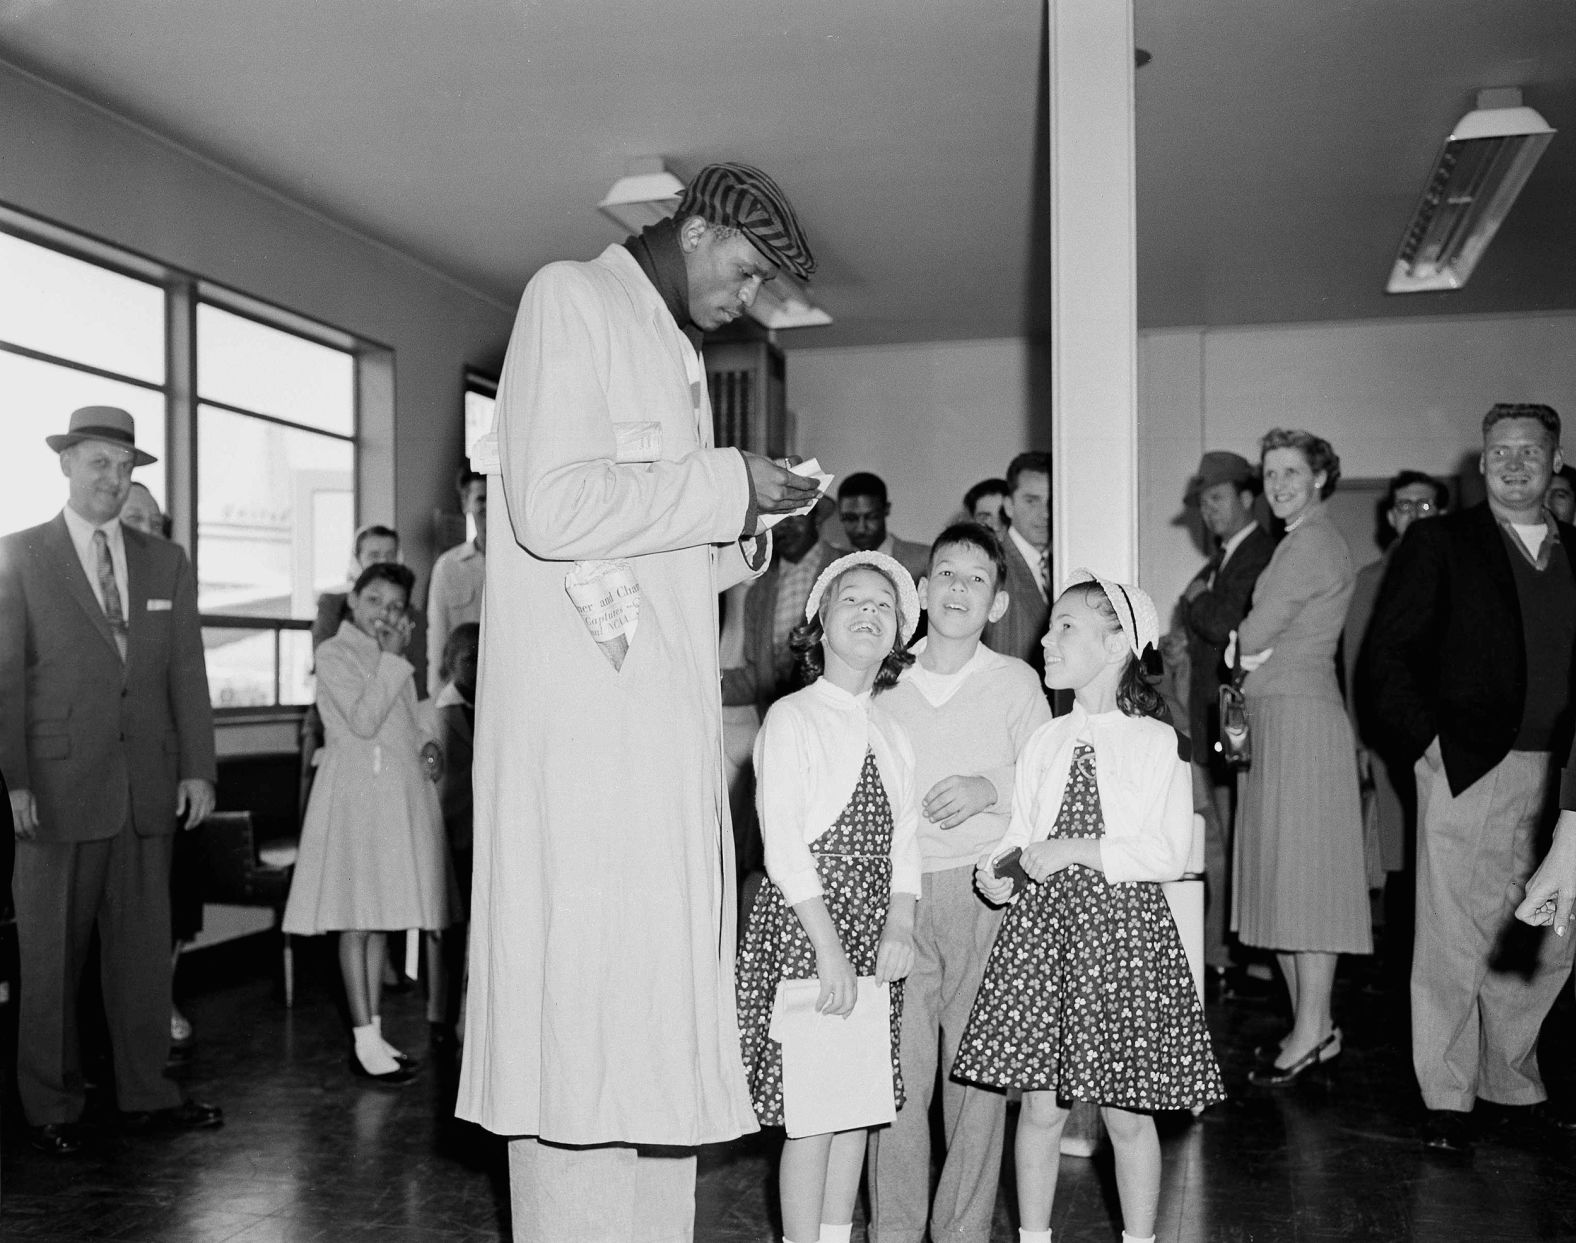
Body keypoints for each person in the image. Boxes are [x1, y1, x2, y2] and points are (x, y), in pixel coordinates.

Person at [455, 161, 821, 1241]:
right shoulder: (569, 298)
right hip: (583, 750)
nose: (743, 300)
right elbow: (557, 506)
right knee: (579, 1029)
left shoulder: (673, 349)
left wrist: (754, 524)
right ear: (696, 229)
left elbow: (647, 547)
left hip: (650, 742)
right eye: (745, 273)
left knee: (650, 1034)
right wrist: (721, 482)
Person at [955, 571, 1223, 1243]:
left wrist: (1074, 848)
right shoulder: (1045, 740)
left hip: (1122, 939)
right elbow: (1022, 837)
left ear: (1118, 643)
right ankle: (1035, 1236)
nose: (1046, 637)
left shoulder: (1156, 741)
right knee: (1040, 1109)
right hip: (1046, 937)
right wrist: (1001, 876)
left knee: (1127, 1116)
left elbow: (1165, 853)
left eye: (1065, 625)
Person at [0, 405, 220, 1155]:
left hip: (147, 784)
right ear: (66, 465)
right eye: (98, 462)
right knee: (51, 958)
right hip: (54, 789)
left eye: (124, 466)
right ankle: (50, 1107)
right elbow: (4, 677)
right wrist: (12, 779)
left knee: (139, 951)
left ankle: (147, 1092)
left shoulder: (165, 561)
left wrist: (198, 767)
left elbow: (187, 670)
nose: (113, 478)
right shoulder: (21, 554)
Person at [1361, 403, 1576, 1154]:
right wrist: (1426, 744)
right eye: (1500, 451)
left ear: (1555, 462)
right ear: (1481, 465)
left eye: (1530, 451)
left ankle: (1510, 1079)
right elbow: (1384, 660)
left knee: (1550, 936)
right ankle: (1447, 1095)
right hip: (1470, 765)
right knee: (1456, 935)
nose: (1515, 462)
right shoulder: (1440, 543)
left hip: (1565, 778)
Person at [864, 524, 1051, 1243]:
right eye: (945, 573)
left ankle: (964, 1229)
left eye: (977, 580)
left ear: (999, 604)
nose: (958, 589)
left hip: (984, 900)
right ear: (920, 588)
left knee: (974, 1084)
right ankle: (895, 1227)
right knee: (898, 1080)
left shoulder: (1015, 682)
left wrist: (986, 786)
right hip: (898, 904)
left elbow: (1045, 781)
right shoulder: (886, 677)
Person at [735, 551, 921, 1243]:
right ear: (818, 622)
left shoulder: (892, 731)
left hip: (873, 933)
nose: (868, 611)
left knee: (857, 1108)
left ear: (898, 634)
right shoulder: (793, 716)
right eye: (852, 600)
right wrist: (829, 951)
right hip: (813, 929)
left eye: (883, 605)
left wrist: (900, 921)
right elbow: (784, 846)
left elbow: (907, 840)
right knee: (814, 1114)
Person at [1229, 429, 1370, 1087]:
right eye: (1270, 471)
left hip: (1300, 722)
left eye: (1291, 470)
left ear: (1320, 476)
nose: (1279, 482)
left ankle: (1315, 1028)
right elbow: (1252, 642)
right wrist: (1245, 650)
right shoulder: (1301, 540)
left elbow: (1254, 632)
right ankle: (1312, 1025)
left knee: (1306, 884)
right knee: (1285, 879)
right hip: (1281, 717)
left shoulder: (1310, 542)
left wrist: (1241, 647)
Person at [282, 561, 454, 1084]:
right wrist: (394, 660)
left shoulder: (390, 659)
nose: (385, 613)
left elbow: (409, 715)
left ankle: (374, 1035)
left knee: (378, 915)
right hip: (355, 797)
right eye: (375, 601)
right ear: (353, 601)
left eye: (396, 606)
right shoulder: (334, 653)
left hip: (388, 797)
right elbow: (362, 720)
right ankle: (361, 1040)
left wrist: (428, 743)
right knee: (354, 919)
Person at [1165, 450, 1274, 993]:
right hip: (1219, 729)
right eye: (1203, 501)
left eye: (1217, 498)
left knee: (1236, 847)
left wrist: (1195, 601)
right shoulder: (1225, 559)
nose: (1208, 510)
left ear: (1246, 497)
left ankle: (1238, 959)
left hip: (1240, 726)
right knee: (1221, 847)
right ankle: (1226, 957)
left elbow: (1229, 623)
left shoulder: (1259, 553)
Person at [1343, 470, 1449, 978]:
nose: (1413, 515)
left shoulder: (1461, 573)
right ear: (1390, 517)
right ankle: (1402, 966)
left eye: (1425, 506)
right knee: (1399, 853)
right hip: (1387, 740)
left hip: (1451, 739)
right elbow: (1357, 668)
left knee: (1444, 854)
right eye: (1404, 506)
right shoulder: (1367, 581)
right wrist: (1359, 741)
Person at [432, 621, 479, 1051]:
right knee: (450, 932)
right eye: (468, 658)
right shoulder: (437, 712)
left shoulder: (494, 706)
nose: (477, 666)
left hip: (482, 835)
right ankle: (441, 1015)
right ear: (449, 662)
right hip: (452, 834)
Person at [983, 451, 1052, 673]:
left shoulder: (1065, 563)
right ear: (1009, 506)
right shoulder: (993, 566)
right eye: (1031, 501)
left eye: (1052, 501)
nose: (1045, 514)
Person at [425, 470, 487, 697]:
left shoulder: (523, 564)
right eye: (481, 498)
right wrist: (438, 698)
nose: (490, 507)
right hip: (463, 693)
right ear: (466, 503)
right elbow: (437, 635)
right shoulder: (447, 566)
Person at [833, 472, 930, 583]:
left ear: (886, 509)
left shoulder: (924, 560)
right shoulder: (833, 566)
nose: (861, 528)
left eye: (871, 517)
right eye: (851, 518)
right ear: (840, 515)